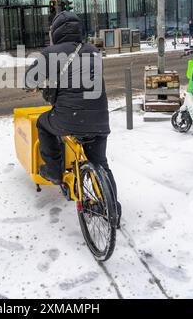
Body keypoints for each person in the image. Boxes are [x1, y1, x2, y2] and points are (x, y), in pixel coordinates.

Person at [25, 11, 121, 227]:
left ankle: (55, 171)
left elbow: (29, 80)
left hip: (69, 118)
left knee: (44, 123)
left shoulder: (50, 53)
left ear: (55, 32)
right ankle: (113, 209)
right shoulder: (93, 51)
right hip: (99, 119)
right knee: (101, 164)